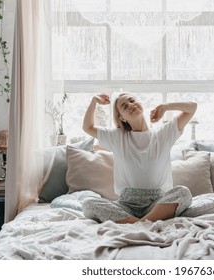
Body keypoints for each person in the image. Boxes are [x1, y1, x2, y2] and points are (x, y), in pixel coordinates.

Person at [81, 92, 197, 224]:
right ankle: (144, 223)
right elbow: (87, 127)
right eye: (125, 106)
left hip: (157, 204)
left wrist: (165, 107)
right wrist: (94, 102)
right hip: (126, 205)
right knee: (89, 204)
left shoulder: (163, 133)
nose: (131, 105)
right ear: (122, 118)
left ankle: (136, 224)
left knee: (183, 192)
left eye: (132, 100)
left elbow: (192, 108)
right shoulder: (117, 137)